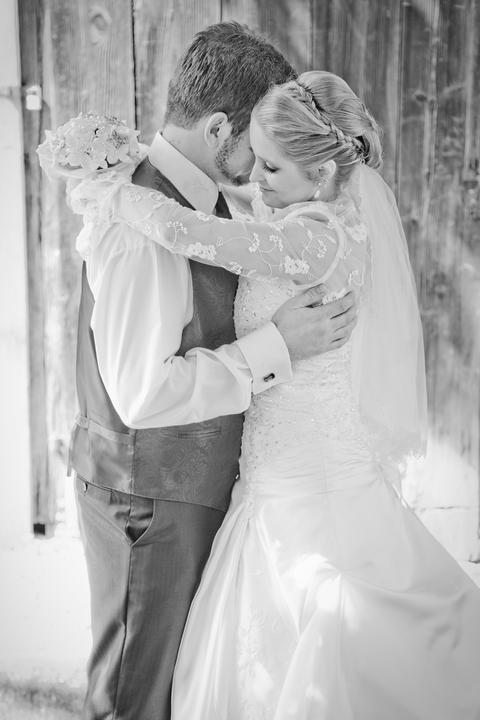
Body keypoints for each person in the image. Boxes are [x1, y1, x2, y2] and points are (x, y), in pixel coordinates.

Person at [54, 70, 480, 719]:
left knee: (322, 631)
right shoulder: (300, 218)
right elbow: (233, 212)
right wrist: (139, 159)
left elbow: (196, 234)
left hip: (311, 478)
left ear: (324, 173)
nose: (255, 181)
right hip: (271, 474)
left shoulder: (314, 240)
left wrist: (112, 191)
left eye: (272, 167)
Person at [38, 23, 357, 720]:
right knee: (135, 697)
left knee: (174, 691)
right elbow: (143, 393)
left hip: (187, 491)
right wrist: (276, 346)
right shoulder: (143, 230)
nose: (265, 158)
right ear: (218, 129)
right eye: (258, 142)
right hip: (149, 501)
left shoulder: (203, 199)